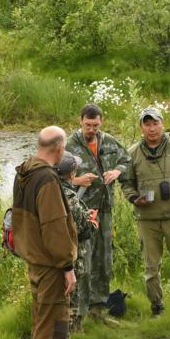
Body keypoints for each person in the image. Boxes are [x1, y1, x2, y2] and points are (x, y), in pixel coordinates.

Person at [11, 126, 78, 339]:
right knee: (50, 328)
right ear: (59, 148)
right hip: (50, 264)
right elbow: (54, 227)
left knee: (46, 323)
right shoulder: (47, 179)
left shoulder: (24, 172)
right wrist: (67, 266)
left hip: (35, 259)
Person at [122, 107, 170, 316]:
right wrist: (133, 198)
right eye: (147, 124)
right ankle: (157, 306)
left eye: (155, 123)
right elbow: (126, 183)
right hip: (147, 219)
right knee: (151, 268)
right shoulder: (132, 153)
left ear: (162, 124)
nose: (152, 129)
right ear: (141, 127)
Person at [65, 104, 131, 318]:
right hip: (82, 212)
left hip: (105, 209)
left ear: (101, 122)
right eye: (87, 125)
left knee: (104, 258)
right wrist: (77, 180)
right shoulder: (68, 145)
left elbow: (126, 159)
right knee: (84, 260)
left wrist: (116, 171)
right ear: (80, 121)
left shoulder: (109, 141)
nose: (91, 129)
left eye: (95, 125)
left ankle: (99, 306)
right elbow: (53, 176)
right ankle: (80, 311)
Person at [56, 153, 99, 332]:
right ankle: (70, 330)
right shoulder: (70, 197)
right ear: (72, 174)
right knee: (71, 294)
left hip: (49, 254)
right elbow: (84, 230)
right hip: (70, 255)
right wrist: (93, 221)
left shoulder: (47, 190)